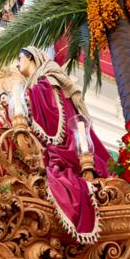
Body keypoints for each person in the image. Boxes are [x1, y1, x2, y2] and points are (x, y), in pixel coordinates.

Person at [16, 46, 111, 244]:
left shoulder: (47, 81)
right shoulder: (36, 86)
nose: (17, 65)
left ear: (31, 57)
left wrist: (25, 100)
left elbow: (55, 118)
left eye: (20, 59)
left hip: (65, 146)